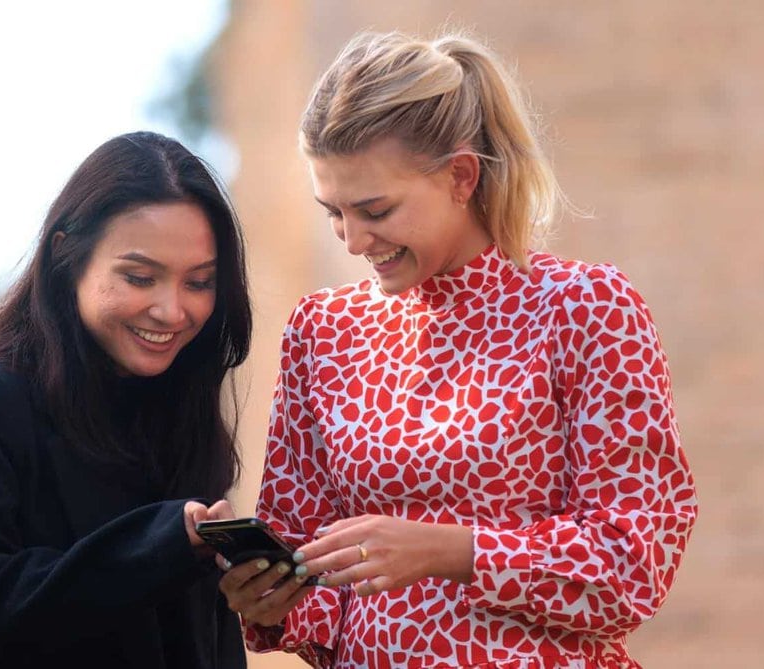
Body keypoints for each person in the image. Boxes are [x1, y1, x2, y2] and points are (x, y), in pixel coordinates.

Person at [218, 31, 698, 668]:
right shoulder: (322, 331)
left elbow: (635, 562)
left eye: (375, 209)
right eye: (333, 212)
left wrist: (450, 551)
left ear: (461, 176)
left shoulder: (585, 307)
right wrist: (271, 598)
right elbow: (314, 582)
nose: (354, 240)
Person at [0, 131, 251, 668]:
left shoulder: (179, 406)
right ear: (66, 254)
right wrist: (159, 545)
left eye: (199, 282)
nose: (171, 310)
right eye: (140, 277)